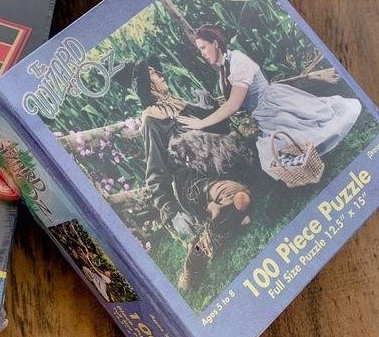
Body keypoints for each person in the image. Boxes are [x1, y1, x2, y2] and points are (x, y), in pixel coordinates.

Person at [177, 24, 361, 176]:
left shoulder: (238, 61)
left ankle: (306, 156)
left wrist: (201, 123)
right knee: (275, 154)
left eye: (203, 47)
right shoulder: (224, 69)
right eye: (199, 49)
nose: (202, 53)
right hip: (262, 114)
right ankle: (300, 161)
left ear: (215, 43)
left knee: (312, 131)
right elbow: (232, 101)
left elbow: (233, 104)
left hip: (274, 103)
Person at [104, 57, 253, 240]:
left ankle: (219, 210)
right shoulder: (152, 122)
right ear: (148, 86)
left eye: (157, 72)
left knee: (243, 193)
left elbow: (217, 129)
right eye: (153, 74)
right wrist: (171, 212)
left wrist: (210, 108)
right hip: (194, 183)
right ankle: (214, 212)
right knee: (238, 195)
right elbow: (156, 172)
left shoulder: (178, 104)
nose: (161, 75)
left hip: (217, 167)